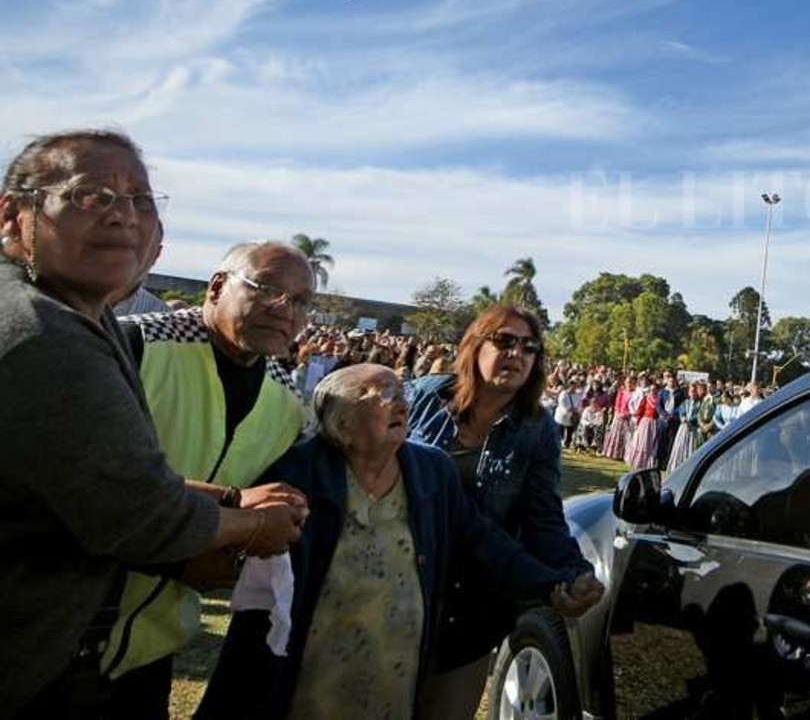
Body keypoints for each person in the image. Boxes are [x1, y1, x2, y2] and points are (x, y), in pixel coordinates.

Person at [0, 129, 302, 718]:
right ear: (14, 215)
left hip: (135, 649)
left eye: (140, 200)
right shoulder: (66, 334)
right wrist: (245, 522)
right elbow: (138, 511)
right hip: (45, 654)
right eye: (91, 195)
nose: (123, 217)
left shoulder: (289, 401)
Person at [199, 364, 599, 719]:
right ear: (342, 425)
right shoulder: (299, 474)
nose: (401, 404)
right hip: (308, 678)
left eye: (401, 393)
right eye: (381, 394)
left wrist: (551, 583)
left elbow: (487, 543)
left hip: (395, 675)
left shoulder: (431, 471)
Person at [103, 241, 316, 716]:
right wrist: (182, 554)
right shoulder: (131, 344)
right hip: (53, 631)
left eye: (301, 301)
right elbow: (81, 486)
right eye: (268, 288)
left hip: (149, 653)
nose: (285, 309)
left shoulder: (286, 405)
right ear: (217, 286)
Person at [405, 306, 603, 718]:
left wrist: (571, 573)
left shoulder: (538, 429)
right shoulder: (421, 397)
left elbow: (543, 517)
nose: (518, 353)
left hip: (471, 608)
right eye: (505, 341)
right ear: (474, 346)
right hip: (396, 590)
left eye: (530, 347)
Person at [622, 373, 660, 469]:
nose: (653, 391)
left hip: (653, 423)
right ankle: (637, 460)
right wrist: (638, 420)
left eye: (655, 390)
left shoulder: (658, 400)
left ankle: (648, 461)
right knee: (640, 442)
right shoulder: (646, 399)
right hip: (644, 422)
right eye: (651, 390)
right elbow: (640, 410)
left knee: (650, 443)